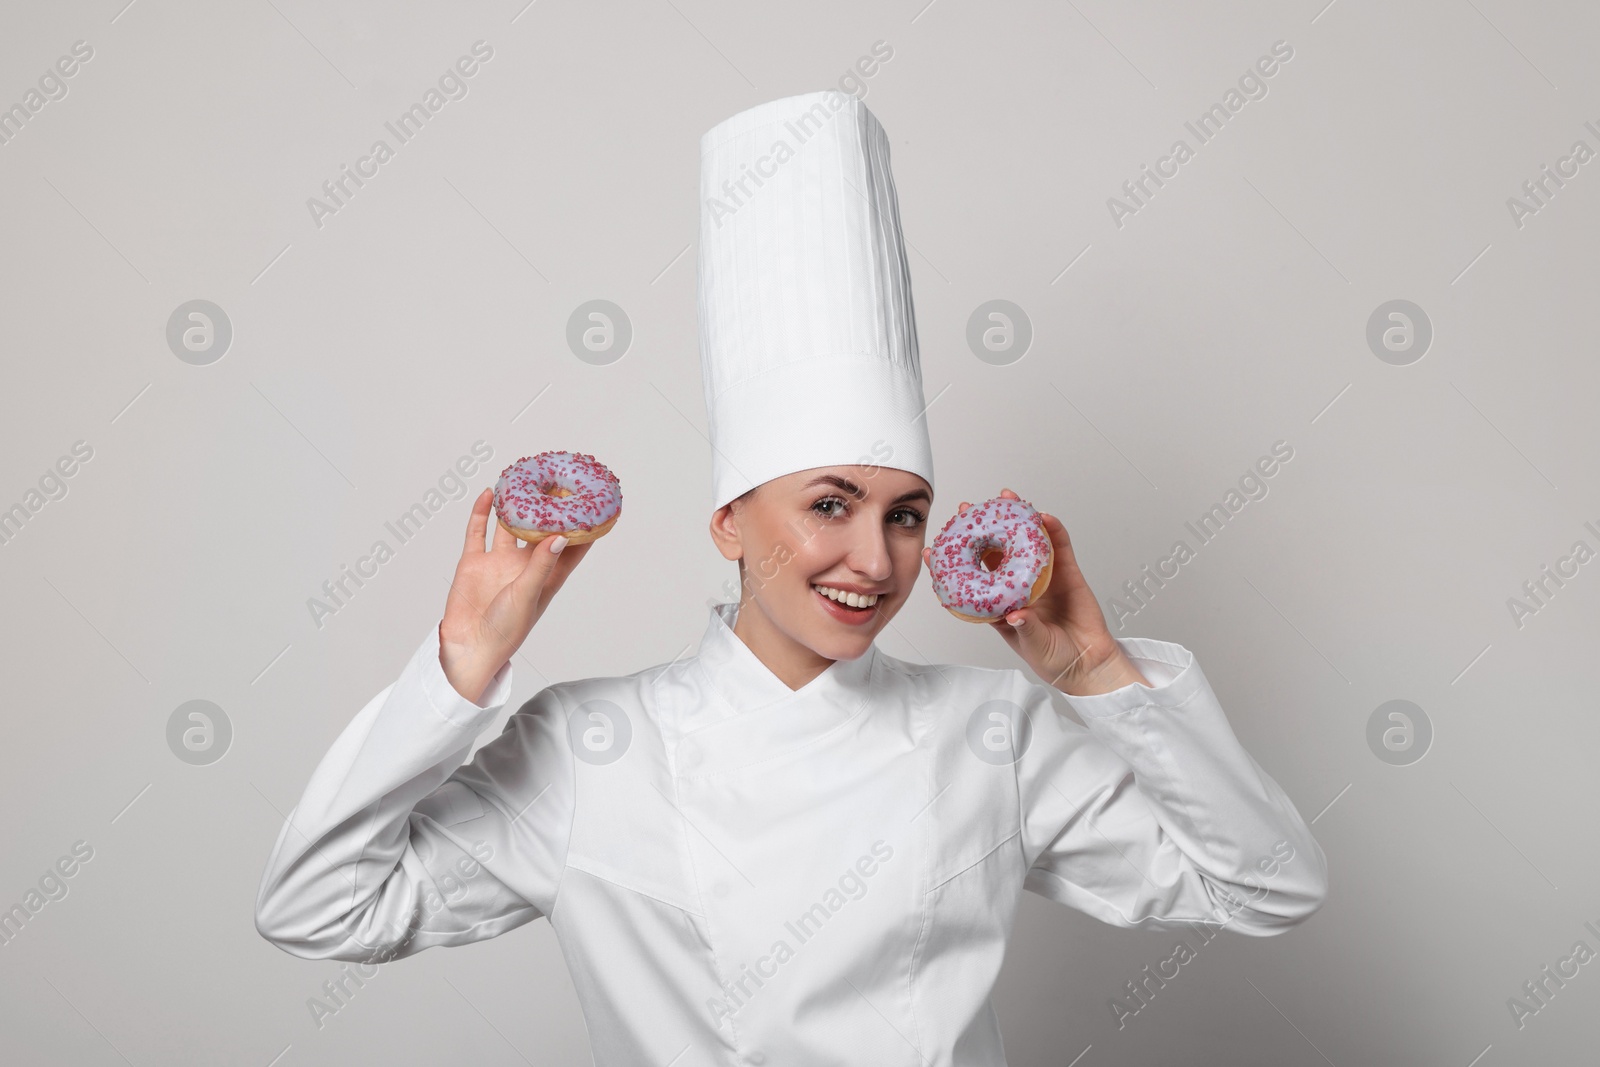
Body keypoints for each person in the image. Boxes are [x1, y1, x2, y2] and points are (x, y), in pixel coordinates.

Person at [255, 90, 1328, 1065]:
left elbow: (1267, 884)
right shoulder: (591, 746)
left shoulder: (992, 730)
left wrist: (1096, 670)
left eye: (905, 514)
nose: (875, 559)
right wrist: (456, 674)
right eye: (827, 504)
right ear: (728, 519)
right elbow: (317, 908)